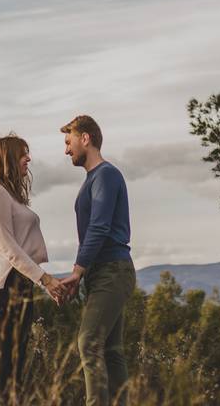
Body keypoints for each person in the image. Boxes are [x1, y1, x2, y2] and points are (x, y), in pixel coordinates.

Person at [0, 133, 67, 401]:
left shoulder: (10, 196)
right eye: (23, 153)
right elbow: (10, 249)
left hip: (20, 281)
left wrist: (40, 281)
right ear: (8, 158)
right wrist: (45, 279)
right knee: (11, 357)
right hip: (8, 283)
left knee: (16, 356)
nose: (28, 158)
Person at [58, 115, 135, 406]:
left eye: (69, 142)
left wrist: (77, 272)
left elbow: (100, 227)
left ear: (85, 138)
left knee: (88, 343)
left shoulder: (106, 175)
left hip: (112, 271)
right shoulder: (94, 178)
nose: (67, 150)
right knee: (111, 350)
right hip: (103, 272)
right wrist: (84, 273)